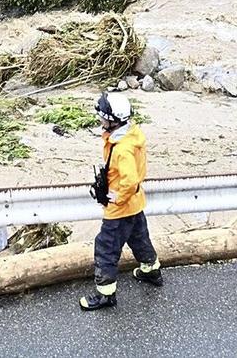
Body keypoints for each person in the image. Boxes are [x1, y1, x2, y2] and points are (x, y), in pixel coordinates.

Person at [79, 91, 162, 310]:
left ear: (112, 120)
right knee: (139, 239)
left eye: (102, 117)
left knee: (106, 248)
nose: (100, 120)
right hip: (135, 204)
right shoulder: (130, 135)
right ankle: (151, 270)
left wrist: (117, 199)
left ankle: (105, 293)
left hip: (121, 209)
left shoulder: (122, 149)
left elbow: (130, 181)